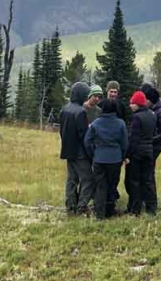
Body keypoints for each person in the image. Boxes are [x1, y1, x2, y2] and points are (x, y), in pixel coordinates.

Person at [84, 99, 128, 219]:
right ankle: (110, 210)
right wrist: (123, 156)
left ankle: (99, 214)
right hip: (115, 159)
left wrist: (93, 154)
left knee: (100, 186)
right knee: (112, 185)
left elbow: (87, 141)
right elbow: (125, 143)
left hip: (99, 159)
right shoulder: (121, 123)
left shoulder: (96, 123)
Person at [60, 82, 94, 216]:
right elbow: (84, 135)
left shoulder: (64, 109)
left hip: (68, 150)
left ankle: (70, 208)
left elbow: (61, 131)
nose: (87, 98)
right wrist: (89, 152)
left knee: (72, 179)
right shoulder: (81, 112)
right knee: (88, 179)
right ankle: (81, 207)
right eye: (86, 95)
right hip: (80, 152)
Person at [125, 90, 157, 215]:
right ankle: (151, 208)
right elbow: (153, 134)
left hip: (137, 154)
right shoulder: (152, 115)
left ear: (137, 104)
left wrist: (127, 155)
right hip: (149, 151)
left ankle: (135, 209)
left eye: (131, 103)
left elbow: (134, 139)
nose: (130, 105)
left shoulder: (136, 117)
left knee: (134, 182)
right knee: (148, 181)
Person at [141, 83, 161, 212]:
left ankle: (151, 205)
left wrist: (151, 140)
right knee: (146, 174)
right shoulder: (153, 109)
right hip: (150, 145)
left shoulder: (160, 110)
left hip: (154, 146)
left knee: (148, 175)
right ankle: (146, 202)